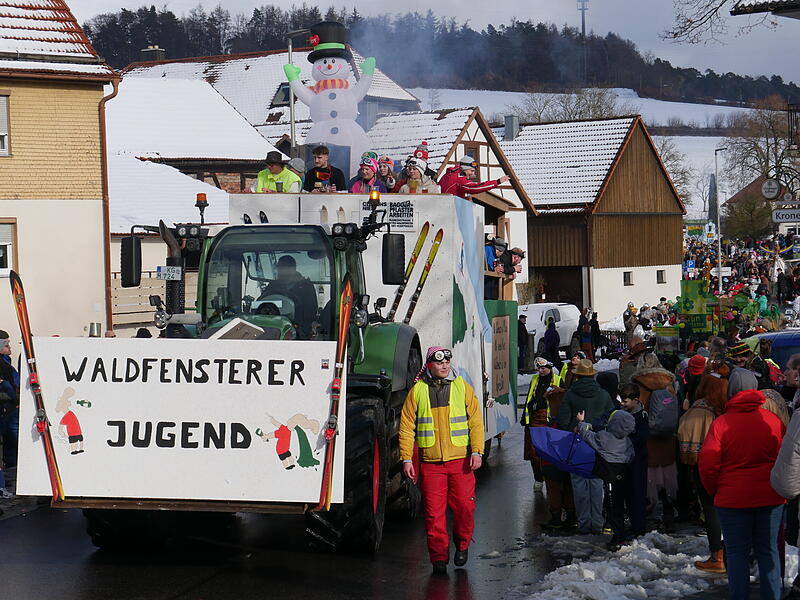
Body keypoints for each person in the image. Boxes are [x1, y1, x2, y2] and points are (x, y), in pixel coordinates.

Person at [399, 346, 484, 574]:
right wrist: (406, 458)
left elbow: (475, 420)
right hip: (431, 465)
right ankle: (438, 558)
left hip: (461, 462)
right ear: (429, 365)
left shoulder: (462, 387)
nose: (445, 366)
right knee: (434, 514)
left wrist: (477, 450)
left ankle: (462, 542)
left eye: (447, 362)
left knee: (465, 507)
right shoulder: (417, 391)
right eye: (439, 363)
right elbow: (407, 427)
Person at [700, 389, 786, 600]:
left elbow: (708, 463)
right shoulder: (773, 420)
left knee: (737, 553)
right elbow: (785, 456)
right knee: (768, 551)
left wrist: (715, 489)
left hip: (732, 497)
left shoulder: (721, 423)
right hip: (770, 495)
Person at [678, 360, 729, 574]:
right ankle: (729, 552)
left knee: (710, 509)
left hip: (703, 466)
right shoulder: (726, 410)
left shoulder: (697, 410)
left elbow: (682, 433)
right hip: (728, 467)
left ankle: (717, 555)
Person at [556, 359, 615, 534]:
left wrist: (574, 427)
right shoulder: (603, 394)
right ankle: (597, 523)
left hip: (577, 445)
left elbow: (563, 422)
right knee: (597, 484)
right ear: (592, 375)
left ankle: (583, 524)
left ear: (578, 376)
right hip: (598, 443)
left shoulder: (570, 395)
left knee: (579, 484)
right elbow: (612, 417)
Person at [632, 352, 679, 533]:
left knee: (648, 478)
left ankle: (647, 516)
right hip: (668, 437)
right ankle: (668, 515)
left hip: (648, 438)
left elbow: (637, 409)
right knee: (667, 476)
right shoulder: (669, 382)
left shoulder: (639, 383)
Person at [577, 408, 635, 551]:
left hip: (610, 477)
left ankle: (618, 537)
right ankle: (621, 532)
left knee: (611, 506)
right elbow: (632, 455)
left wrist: (582, 422)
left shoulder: (604, 437)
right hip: (623, 476)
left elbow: (587, 435)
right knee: (619, 506)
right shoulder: (627, 441)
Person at [521, 357, 561, 485]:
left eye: (543, 368)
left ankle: (550, 479)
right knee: (533, 452)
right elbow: (529, 398)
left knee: (549, 452)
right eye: (538, 368)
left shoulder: (559, 380)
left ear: (549, 367)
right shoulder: (534, 379)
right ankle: (538, 478)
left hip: (550, 421)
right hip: (535, 419)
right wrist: (525, 418)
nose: (540, 370)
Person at [261, 255, 318, 338]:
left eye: (286, 267)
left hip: (299, 328)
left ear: (293, 268)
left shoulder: (306, 286)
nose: (283, 270)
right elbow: (262, 303)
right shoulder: (272, 285)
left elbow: (311, 311)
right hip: (273, 326)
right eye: (280, 267)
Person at [619, 383, 649, 539]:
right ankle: (632, 523)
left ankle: (639, 527)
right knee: (627, 494)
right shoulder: (622, 413)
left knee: (637, 494)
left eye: (625, 401)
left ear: (636, 400)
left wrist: (625, 439)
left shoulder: (641, 416)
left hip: (637, 460)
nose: (622, 404)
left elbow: (642, 438)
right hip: (625, 459)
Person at [438, 155, 510, 199]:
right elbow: (475, 188)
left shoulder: (449, 174)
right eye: (471, 171)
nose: (473, 174)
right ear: (464, 169)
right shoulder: (459, 178)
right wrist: (497, 182)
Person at [0, 331, 19, 471]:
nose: (9, 347)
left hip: (10, 408)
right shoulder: (3, 364)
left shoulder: (6, 362)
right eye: (6, 344)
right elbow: (8, 388)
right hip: (6, 408)